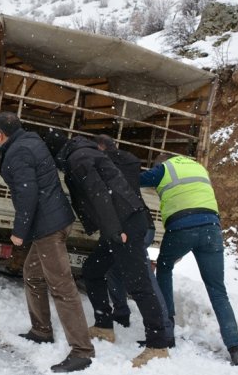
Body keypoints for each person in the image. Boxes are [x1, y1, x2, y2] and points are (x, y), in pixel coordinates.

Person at [44, 132, 171, 368]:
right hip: (121, 222)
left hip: (126, 224)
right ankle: (103, 325)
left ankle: (158, 344)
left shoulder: (79, 158)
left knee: (139, 283)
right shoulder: (82, 153)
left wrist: (113, 230)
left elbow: (99, 193)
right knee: (93, 270)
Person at [0, 112, 94, 373]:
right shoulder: (30, 142)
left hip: (48, 225)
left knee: (61, 286)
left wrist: (19, 231)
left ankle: (82, 350)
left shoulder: (18, 152)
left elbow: (27, 193)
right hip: (54, 218)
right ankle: (41, 330)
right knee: (32, 275)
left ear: (1, 134)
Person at [140, 154, 238, 366]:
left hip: (181, 228)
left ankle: (167, 332)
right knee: (217, 289)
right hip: (212, 229)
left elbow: (137, 179)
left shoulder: (163, 169)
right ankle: (235, 348)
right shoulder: (198, 167)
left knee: (164, 269)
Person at [93, 134, 160, 331]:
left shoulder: (105, 164)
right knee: (123, 272)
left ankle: (159, 332)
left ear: (100, 147)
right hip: (145, 223)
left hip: (127, 226)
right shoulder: (131, 162)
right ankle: (124, 315)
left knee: (140, 281)